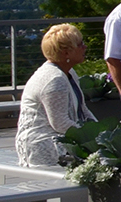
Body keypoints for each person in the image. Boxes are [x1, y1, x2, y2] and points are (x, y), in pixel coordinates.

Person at [15, 23, 97, 167]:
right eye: (80, 44)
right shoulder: (54, 79)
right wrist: (92, 137)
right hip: (45, 148)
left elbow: (83, 109)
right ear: (66, 53)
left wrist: (102, 131)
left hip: (63, 141)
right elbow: (60, 123)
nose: (85, 47)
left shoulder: (69, 72)